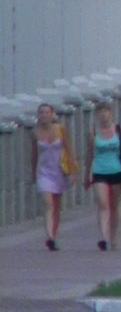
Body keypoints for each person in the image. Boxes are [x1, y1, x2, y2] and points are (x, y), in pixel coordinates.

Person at [85, 102, 121, 251]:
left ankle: (113, 237)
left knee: (114, 207)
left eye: (106, 111)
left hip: (116, 170)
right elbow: (90, 154)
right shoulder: (93, 132)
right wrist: (87, 174)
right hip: (99, 171)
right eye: (100, 111)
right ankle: (104, 238)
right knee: (103, 205)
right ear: (97, 114)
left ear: (110, 113)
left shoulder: (119, 130)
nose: (103, 114)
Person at [30, 102, 73, 250]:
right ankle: (49, 236)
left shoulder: (61, 129)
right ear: (38, 116)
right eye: (41, 112)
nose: (44, 115)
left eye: (47, 112)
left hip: (59, 171)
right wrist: (33, 172)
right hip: (44, 173)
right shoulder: (35, 133)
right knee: (48, 203)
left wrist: (72, 172)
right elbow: (34, 154)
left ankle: (54, 235)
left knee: (56, 206)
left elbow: (69, 150)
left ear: (52, 115)